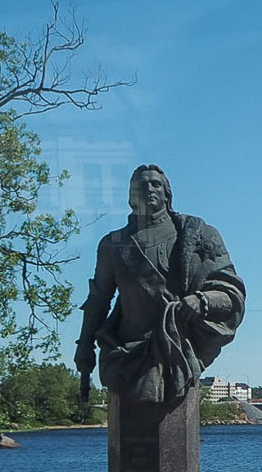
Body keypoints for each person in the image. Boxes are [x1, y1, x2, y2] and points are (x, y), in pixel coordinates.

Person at [75, 165, 245, 403]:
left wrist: (202, 301)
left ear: (167, 194)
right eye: (141, 185)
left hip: (181, 348)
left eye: (155, 184)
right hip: (125, 354)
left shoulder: (199, 235)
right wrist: (84, 345)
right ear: (131, 197)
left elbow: (232, 293)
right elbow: (98, 300)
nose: (148, 189)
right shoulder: (112, 245)